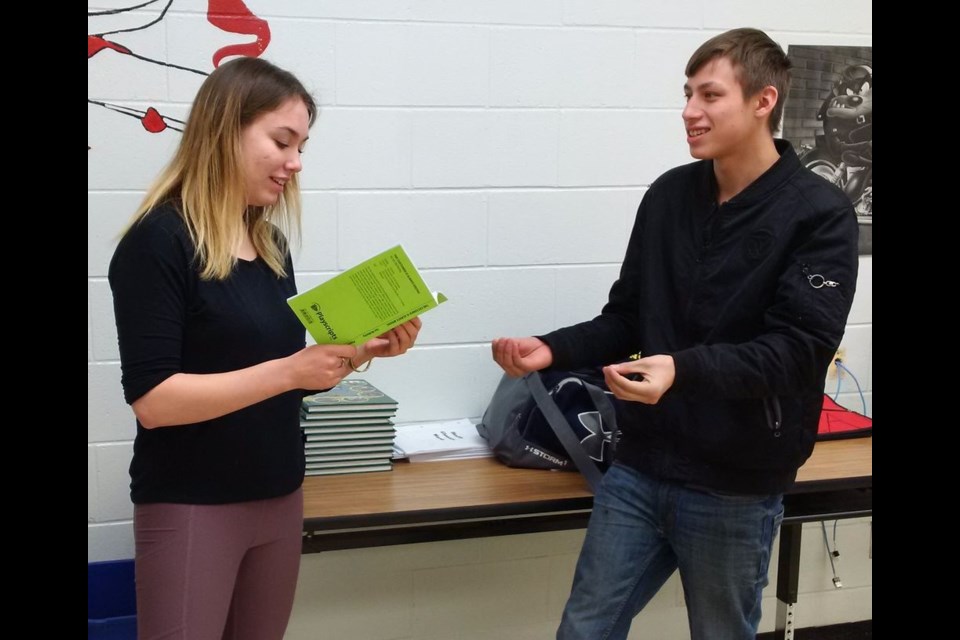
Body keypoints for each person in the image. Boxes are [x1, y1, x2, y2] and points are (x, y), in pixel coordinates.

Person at [491, 28, 858, 640]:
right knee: (584, 630)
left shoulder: (819, 214)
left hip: (735, 487)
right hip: (639, 468)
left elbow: (798, 352)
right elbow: (628, 319)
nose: (690, 112)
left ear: (763, 101)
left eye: (710, 95)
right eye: (687, 94)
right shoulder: (668, 196)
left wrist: (681, 371)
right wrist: (552, 349)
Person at [108, 56, 422, 640]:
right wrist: (288, 371)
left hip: (278, 494)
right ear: (226, 129)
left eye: (302, 145)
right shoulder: (158, 243)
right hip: (192, 503)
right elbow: (154, 400)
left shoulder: (269, 244)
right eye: (282, 141)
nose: (295, 163)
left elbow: (281, 371)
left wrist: (360, 352)